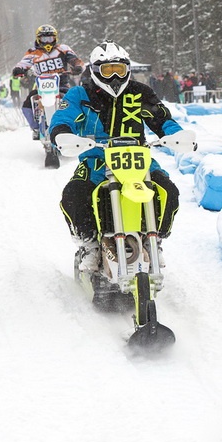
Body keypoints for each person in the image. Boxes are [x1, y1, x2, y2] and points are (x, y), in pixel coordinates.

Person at [50, 41, 189, 271]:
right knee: (73, 193)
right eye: (107, 70)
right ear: (95, 71)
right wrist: (62, 135)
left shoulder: (140, 92)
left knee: (167, 190)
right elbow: (63, 118)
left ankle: (154, 240)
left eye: (119, 69)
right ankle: (90, 245)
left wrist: (177, 135)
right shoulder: (80, 94)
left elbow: (162, 119)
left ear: (127, 70)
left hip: (138, 159)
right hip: (97, 159)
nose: (114, 75)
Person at [12, 25, 84, 139]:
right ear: (38, 39)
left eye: (50, 39)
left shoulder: (63, 49)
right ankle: (35, 127)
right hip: (42, 86)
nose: (47, 42)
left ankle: (76, 126)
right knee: (27, 104)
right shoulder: (33, 53)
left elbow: (75, 60)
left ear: (55, 38)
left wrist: (77, 66)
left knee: (74, 101)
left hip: (61, 84)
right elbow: (23, 63)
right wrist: (19, 70)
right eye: (44, 39)